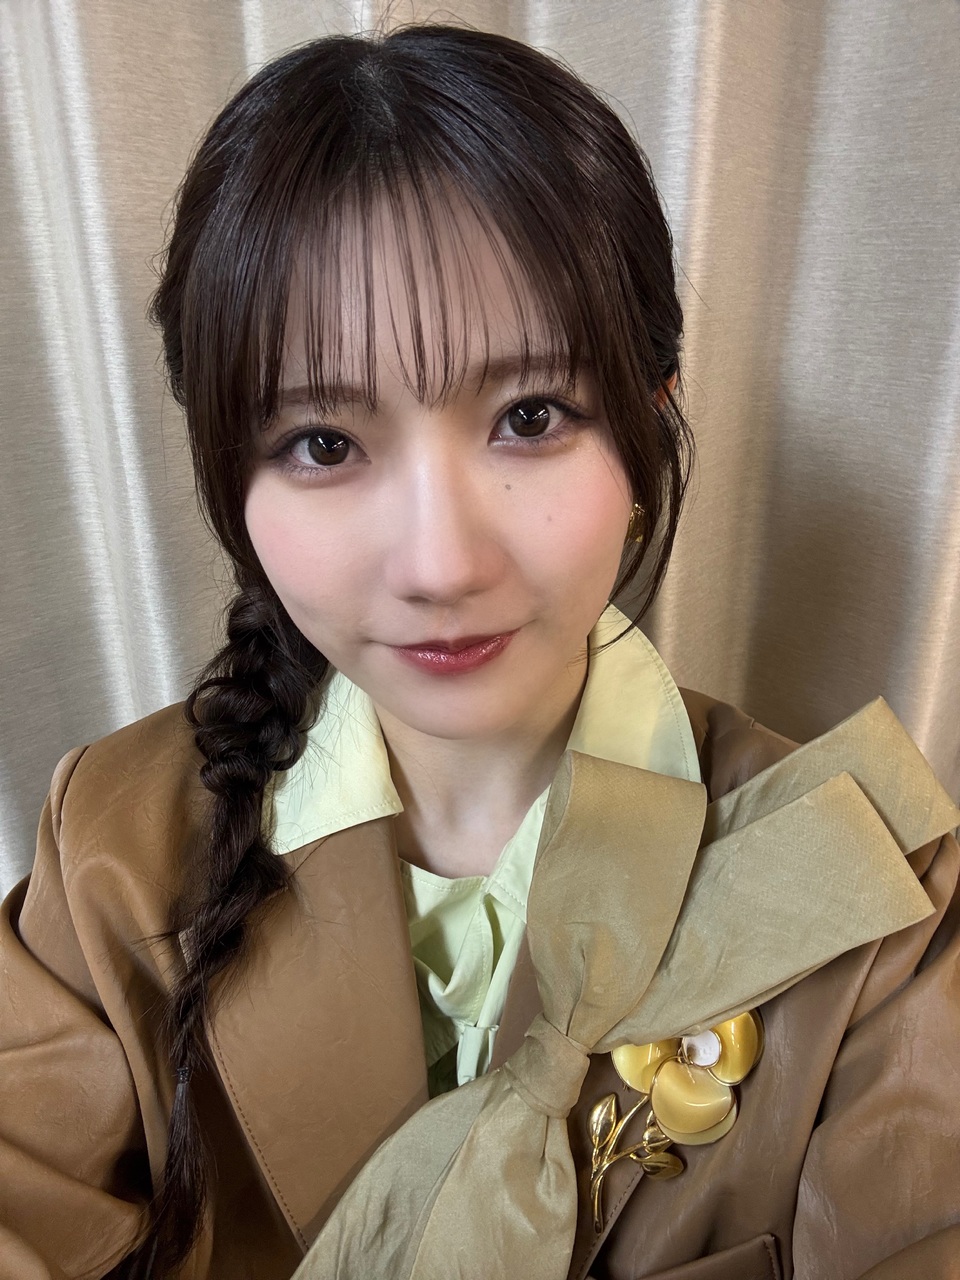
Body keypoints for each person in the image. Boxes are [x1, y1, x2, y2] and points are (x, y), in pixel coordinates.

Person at [1, 23, 958, 1280]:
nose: (440, 563)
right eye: (324, 443)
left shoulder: (869, 896)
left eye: (530, 416)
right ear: (230, 477)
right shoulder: (111, 851)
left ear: (648, 424)